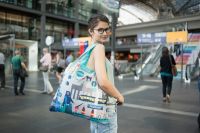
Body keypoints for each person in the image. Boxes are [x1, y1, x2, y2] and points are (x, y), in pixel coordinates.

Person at [87, 14, 124, 133]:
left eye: (107, 29)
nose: (105, 33)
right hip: (105, 109)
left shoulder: (89, 49)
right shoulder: (99, 48)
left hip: (95, 108)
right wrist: (119, 96)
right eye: (100, 30)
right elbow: (102, 81)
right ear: (91, 31)